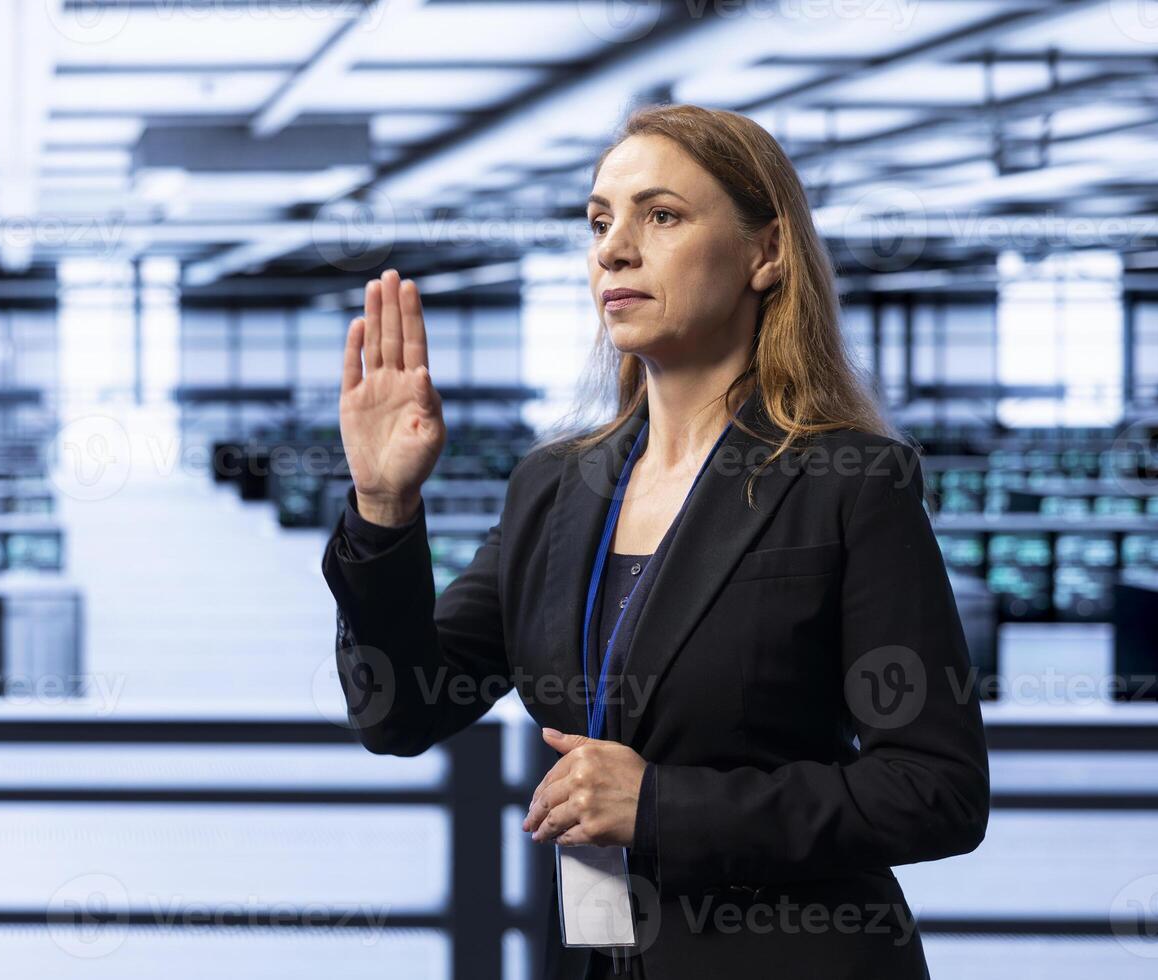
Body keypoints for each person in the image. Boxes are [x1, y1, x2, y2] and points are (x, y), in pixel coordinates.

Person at [319, 103, 989, 979]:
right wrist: (382, 505)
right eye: (600, 221)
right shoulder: (554, 488)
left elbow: (935, 793)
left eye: (660, 215)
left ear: (767, 252)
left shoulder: (850, 483)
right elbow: (399, 713)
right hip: (597, 957)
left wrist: (663, 806)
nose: (613, 248)